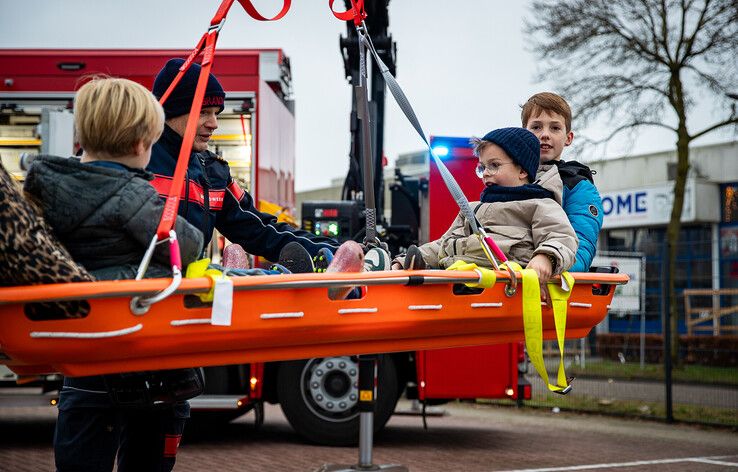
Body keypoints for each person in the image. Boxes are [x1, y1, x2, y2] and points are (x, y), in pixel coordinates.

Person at [23, 77, 204, 472]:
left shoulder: (44, 186)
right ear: (141, 145)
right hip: (143, 359)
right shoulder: (133, 195)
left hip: (82, 364)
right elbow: (188, 245)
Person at [148, 58, 340, 264]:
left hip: (189, 291)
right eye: (203, 112)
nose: (214, 124)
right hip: (135, 292)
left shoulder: (214, 173)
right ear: (171, 111)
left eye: (216, 113)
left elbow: (260, 230)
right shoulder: (137, 160)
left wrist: (334, 252)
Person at [393, 127, 578, 286]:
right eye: (482, 167)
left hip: (501, 286)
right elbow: (444, 244)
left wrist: (545, 258)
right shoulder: (471, 209)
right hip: (456, 281)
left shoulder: (540, 205)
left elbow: (561, 237)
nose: (486, 173)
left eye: (494, 165)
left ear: (522, 170)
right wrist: (408, 261)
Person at [521, 92, 604, 272]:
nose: (544, 134)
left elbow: (581, 248)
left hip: (550, 287)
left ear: (568, 138)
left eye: (555, 128)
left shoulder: (578, 187)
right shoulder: (511, 180)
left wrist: (550, 265)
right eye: (536, 127)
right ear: (522, 134)